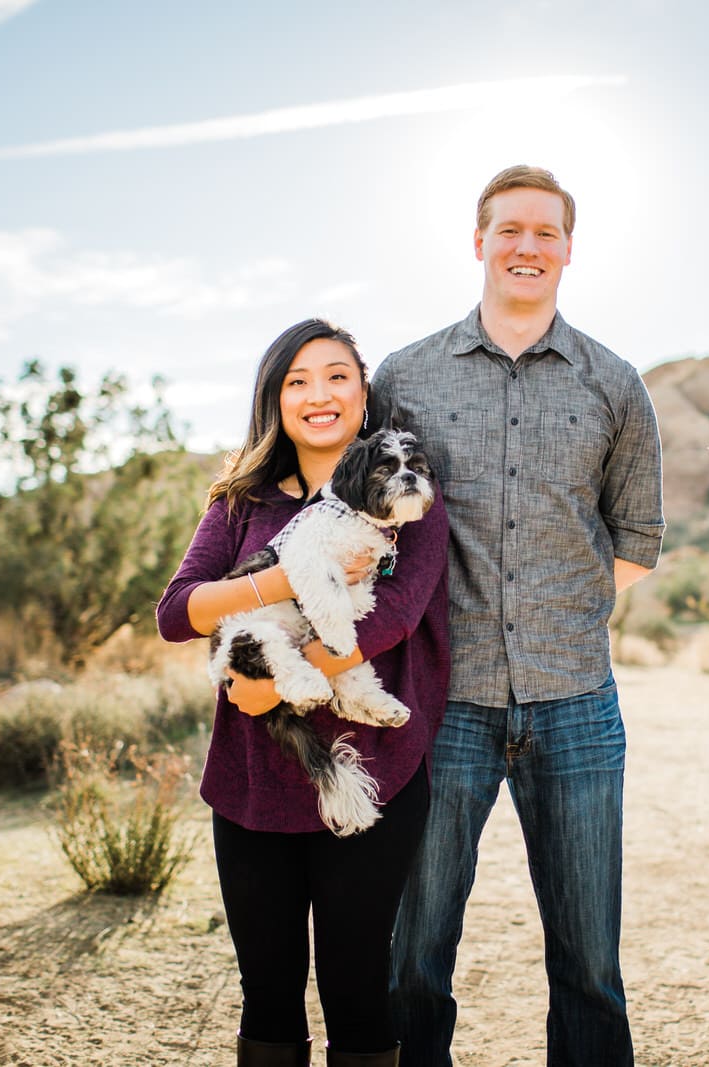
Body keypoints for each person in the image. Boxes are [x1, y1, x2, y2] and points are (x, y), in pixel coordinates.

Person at [371, 166, 664, 1066]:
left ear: (569, 249)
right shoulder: (405, 376)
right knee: (413, 957)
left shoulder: (614, 384)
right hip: (443, 705)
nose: (527, 247)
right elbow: (373, 524)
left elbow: (636, 537)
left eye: (546, 233)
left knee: (588, 964)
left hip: (575, 702)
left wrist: (558, 615)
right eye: (510, 230)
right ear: (478, 242)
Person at [157, 318, 450, 1067]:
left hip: (375, 765)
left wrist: (284, 682)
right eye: (298, 380)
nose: (319, 394)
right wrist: (284, 580)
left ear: (363, 392)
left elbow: (391, 615)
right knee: (268, 992)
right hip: (252, 781)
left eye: (336, 376)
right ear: (276, 399)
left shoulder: (405, 493)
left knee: (358, 987)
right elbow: (176, 611)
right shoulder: (240, 502)